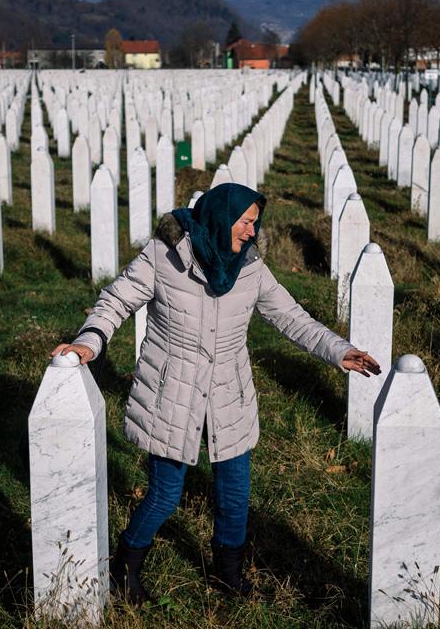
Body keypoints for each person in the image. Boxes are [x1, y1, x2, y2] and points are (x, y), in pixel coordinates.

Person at [50, 183, 381, 605]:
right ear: (220, 218)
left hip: (229, 395)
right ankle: (124, 569)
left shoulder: (251, 267)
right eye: (244, 222)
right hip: (172, 393)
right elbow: (115, 301)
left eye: (255, 224)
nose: (251, 232)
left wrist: (340, 351)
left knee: (234, 495)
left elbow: (292, 317)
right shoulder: (163, 256)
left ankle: (229, 579)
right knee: (166, 493)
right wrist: (88, 342)